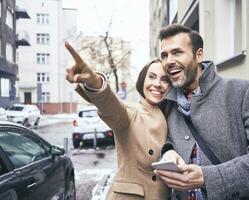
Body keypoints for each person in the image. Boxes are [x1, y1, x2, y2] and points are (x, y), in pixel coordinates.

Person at [154, 24, 249, 200]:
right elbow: (169, 139)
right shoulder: (167, 103)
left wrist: (208, 178)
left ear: (199, 55)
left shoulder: (244, 92)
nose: (169, 61)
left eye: (177, 52)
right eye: (164, 55)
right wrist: (168, 151)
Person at [64, 42, 171, 199]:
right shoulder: (131, 112)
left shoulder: (169, 114)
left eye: (165, 80)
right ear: (143, 80)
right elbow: (111, 106)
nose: (157, 84)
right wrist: (94, 81)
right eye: (152, 77)